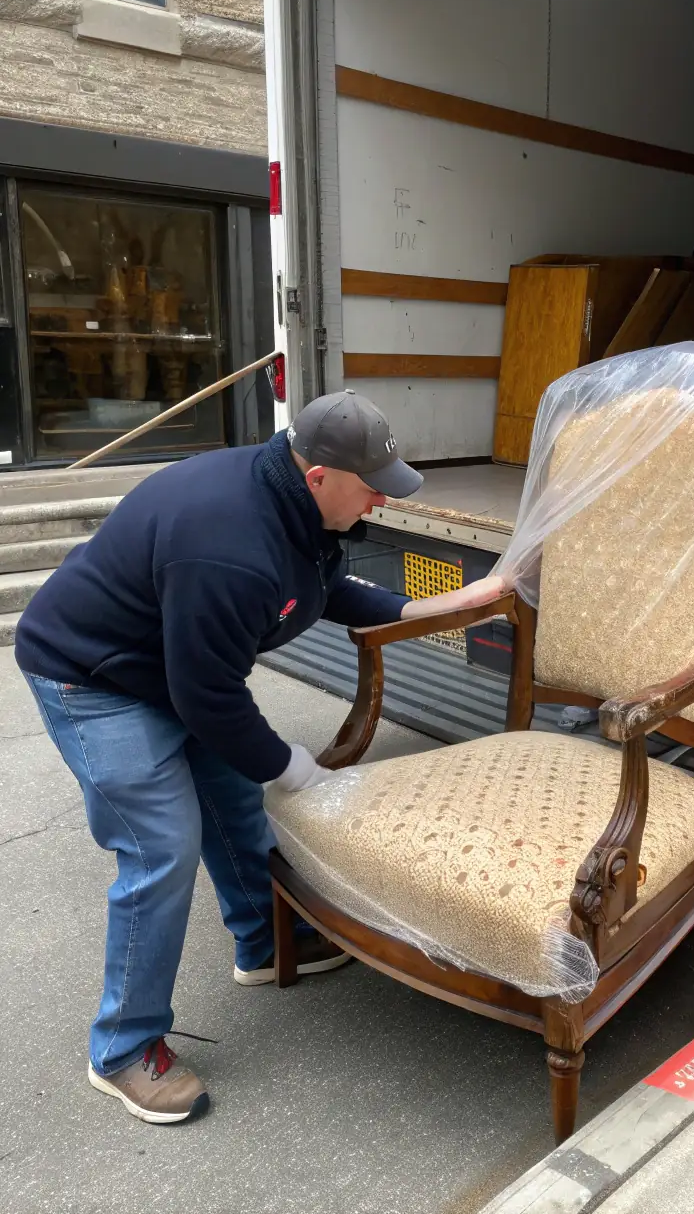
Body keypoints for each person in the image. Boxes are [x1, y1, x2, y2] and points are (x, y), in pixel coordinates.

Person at [15, 391, 503, 1125]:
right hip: (91, 677)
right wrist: (296, 769)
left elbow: (325, 588)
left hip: (170, 666)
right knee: (161, 846)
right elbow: (209, 697)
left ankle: (265, 940)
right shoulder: (229, 544)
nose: (380, 500)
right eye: (372, 487)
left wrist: (426, 607)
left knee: (236, 798)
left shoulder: (290, 501)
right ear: (319, 476)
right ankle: (122, 1048)